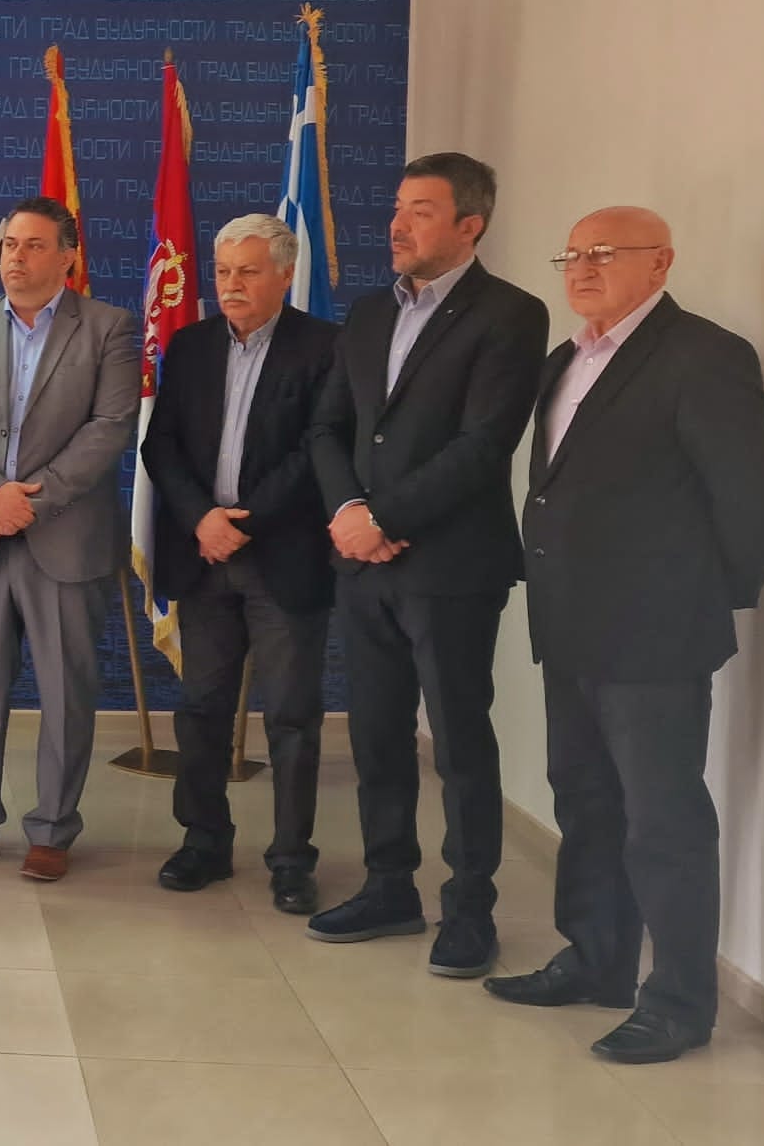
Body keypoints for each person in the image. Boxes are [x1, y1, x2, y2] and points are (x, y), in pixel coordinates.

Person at [484, 207, 764, 1064]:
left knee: (663, 820)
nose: (582, 268)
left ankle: (680, 1004)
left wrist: (702, 599)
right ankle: (596, 960)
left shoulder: (703, 355)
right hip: (570, 622)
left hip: (656, 635)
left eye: (604, 253)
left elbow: (752, 502)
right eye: (572, 254)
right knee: (584, 801)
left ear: (661, 263)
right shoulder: (565, 359)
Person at [303, 153, 548, 977]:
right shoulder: (371, 312)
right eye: (398, 207)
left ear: (470, 226)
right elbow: (328, 429)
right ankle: (388, 887)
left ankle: (470, 910)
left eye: (421, 211)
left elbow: (484, 444)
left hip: (450, 567)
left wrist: (385, 519)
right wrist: (350, 514)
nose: (397, 225)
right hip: (363, 564)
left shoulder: (510, 314)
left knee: (459, 742)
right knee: (376, 736)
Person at [0, 197, 139, 882]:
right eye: (10, 244)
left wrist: (31, 501)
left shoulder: (107, 327)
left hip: (64, 538)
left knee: (66, 694)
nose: (16, 257)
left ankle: (52, 831)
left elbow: (111, 426)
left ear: (68, 256)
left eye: (34, 245)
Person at [140, 213, 337, 913]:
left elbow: (319, 448)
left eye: (248, 272)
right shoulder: (190, 346)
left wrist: (242, 521)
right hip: (205, 555)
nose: (232, 285)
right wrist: (203, 518)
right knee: (201, 710)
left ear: (285, 274)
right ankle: (204, 842)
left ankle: (291, 859)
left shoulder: (325, 346)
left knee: (290, 717)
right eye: (223, 272)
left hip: (283, 557)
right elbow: (161, 445)